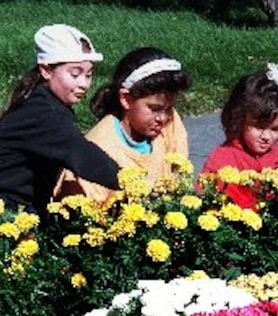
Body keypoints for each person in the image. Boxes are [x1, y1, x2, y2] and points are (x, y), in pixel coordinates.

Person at [0, 24, 119, 221]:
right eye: (75, 74)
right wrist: (128, 181)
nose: (83, 83)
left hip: (16, 201)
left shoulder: (50, 103)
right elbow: (82, 156)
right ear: (46, 71)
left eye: (88, 74)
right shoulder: (44, 112)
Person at [55, 47, 192, 201]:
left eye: (169, 108)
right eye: (154, 108)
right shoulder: (99, 150)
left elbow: (180, 173)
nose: (163, 118)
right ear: (126, 99)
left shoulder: (169, 123)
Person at [201, 63, 278, 209]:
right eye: (259, 127)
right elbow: (207, 197)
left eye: (275, 129)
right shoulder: (222, 159)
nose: (266, 136)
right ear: (239, 119)